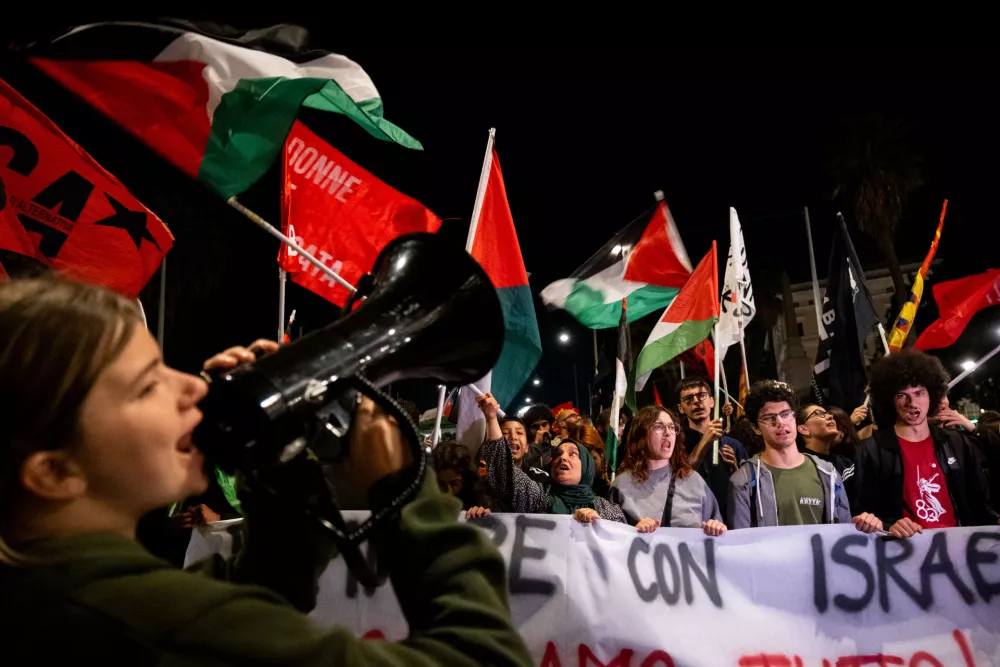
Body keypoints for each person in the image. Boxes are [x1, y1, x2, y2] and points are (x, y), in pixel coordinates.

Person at [0, 278, 532, 665]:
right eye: (147, 386)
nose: (192, 386)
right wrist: (405, 488)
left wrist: (277, 463)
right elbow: (487, 654)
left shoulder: (53, 587)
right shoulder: (155, 622)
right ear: (53, 472)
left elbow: (261, 596)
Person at [858, 350, 998, 537]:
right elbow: (862, 512)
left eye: (919, 393)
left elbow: (980, 502)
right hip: (904, 554)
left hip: (960, 549)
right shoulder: (872, 449)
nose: (912, 402)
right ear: (890, 401)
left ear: (931, 396)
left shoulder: (956, 442)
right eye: (902, 395)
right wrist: (888, 525)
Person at [472, 394, 659, 531]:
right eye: (559, 454)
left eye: (573, 454)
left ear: (586, 467)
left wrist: (639, 530)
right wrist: (490, 417)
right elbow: (503, 471)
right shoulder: (539, 498)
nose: (563, 457)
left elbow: (623, 545)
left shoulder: (607, 510)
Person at [728, 380, 881, 534]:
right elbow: (742, 545)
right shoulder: (744, 481)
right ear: (756, 428)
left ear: (794, 419)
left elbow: (843, 536)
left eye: (785, 414)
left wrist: (864, 526)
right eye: (769, 418)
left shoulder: (828, 473)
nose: (780, 422)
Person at [614, 406, 726, 536]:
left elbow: (718, 533)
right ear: (641, 434)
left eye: (672, 427)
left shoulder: (694, 481)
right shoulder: (622, 485)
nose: (668, 432)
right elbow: (612, 541)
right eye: (659, 427)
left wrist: (716, 528)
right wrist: (633, 533)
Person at [675, 377, 747, 520]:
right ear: (681, 408)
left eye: (701, 396)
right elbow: (677, 482)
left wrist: (734, 470)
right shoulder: (676, 444)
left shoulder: (733, 444)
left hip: (731, 520)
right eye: (689, 399)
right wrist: (705, 441)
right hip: (694, 521)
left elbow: (748, 491)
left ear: (712, 401)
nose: (696, 401)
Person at [796, 404, 858, 509]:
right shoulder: (796, 466)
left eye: (827, 413)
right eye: (819, 414)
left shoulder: (846, 466)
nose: (830, 417)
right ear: (804, 429)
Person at [433, 440, 488, 510]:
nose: (448, 492)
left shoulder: (477, 497)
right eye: (441, 484)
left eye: (454, 483)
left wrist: (479, 513)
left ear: (465, 479)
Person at [566, 422, 613, 498]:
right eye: (581, 459)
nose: (587, 465)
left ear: (601, 454)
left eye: (592, 458)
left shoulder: (614, 481)